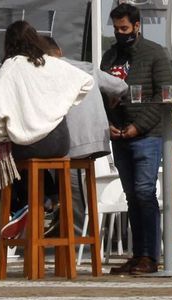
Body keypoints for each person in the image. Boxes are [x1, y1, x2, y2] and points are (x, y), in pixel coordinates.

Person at [0, 22, 93, 242]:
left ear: (8, 43)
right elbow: (86, 81)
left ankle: (20, 208)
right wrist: (61, 105)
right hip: (60, 141)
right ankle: (49, 199)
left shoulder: (12, 66)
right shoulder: (50, 63)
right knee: (30, 159)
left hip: (33, 144)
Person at [99, 3, 172, 276]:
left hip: (147, 135)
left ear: (137, 26)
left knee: (144, 192)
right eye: (116, 28)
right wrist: (108, 123)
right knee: (132, 195)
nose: (120, 33)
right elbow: (100, 90)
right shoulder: (110, 56)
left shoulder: (154, 53)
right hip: (118, 133)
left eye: (124, 28)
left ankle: (150, 256)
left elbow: (163, 95)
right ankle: (138, 254)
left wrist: (138, 126)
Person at [41, 33, 126, 227]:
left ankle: (74, 234)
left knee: (74, 197)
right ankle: (68, 227)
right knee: (74, 193)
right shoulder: (85, 67)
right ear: (59, 51)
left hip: (73, 143)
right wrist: (112, 97)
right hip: (97, 139)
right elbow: (121, 86)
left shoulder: (45, 74)